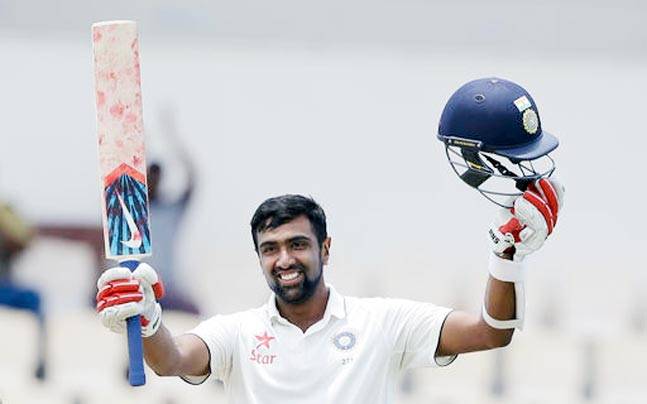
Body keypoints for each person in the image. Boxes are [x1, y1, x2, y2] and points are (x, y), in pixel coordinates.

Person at [96, 186, 563, 403]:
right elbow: (171, 360)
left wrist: (507, 257)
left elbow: (490, 332)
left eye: (297, 245)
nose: (284, 260)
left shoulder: (383, 322)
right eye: (270, 249)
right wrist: (148, 319)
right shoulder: (236, 332)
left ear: (325, 248)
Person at [0, 200, 47, 380]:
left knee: (35, 299)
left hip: (6, 288)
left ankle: (40, 359)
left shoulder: (5, 215)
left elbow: (24, 240)